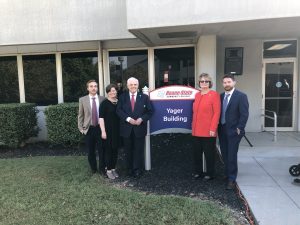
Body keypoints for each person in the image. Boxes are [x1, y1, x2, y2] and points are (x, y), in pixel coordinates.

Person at [116, 77, 153, 178]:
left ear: (138, 85)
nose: (133, 86)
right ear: (128, 86)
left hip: (139, 128)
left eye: (135, 84)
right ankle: (129, 169)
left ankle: (137, 170)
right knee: (127, 150)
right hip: (126, 129)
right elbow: (118, 111)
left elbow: (150, 111)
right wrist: (128, 119)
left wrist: (141, 119)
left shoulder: (144, 97)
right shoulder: (122, 97)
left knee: (138, 150)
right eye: (131, 85)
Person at [218, 74, 249, 190]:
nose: (227, 84)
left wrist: (239, 128)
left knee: (231, 155)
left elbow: (244, 114)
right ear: (223, 84)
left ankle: (232, 179)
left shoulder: (241, 96)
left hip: (234, 131)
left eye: (229, 82)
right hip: (222, 129)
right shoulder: (220, 96)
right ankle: (227, 173)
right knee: (224, 153)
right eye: (225, 82)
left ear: (234, 82)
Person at [192, 73, 221, 181]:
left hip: (208, 131)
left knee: (209, 154)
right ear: (199, 83)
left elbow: (217, 113)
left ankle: (210, 173)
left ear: (210, 83)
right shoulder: (197, 95)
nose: (204, 83)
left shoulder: (214, 95)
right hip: (196, 130)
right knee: (197, 153)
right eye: (202, 81)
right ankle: (198, 172)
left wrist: (213, 128)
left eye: (206, 81)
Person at [78, 80, 105, 175]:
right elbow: (80, 115)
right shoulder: (82, 100)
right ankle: (93, 169)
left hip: (100, 128)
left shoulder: (103, 99)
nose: (94, 88)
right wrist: (81, 128)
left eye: (95, 86)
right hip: (89, 129)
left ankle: (102, 169)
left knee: (102, 150)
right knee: (91, 151)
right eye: (91, 86)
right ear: (88, 88)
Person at [99, 84, 120, 180]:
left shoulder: (119, 102)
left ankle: (113, 168)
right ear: (107, 92)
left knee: (115, 150)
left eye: (114, 90)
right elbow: (101, 118)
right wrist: (103, 131)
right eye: (111, 91)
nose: (113, 92)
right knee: (108, 151)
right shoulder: (104, 103)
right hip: (108, 131)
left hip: (117, 131)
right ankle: (108, 170)